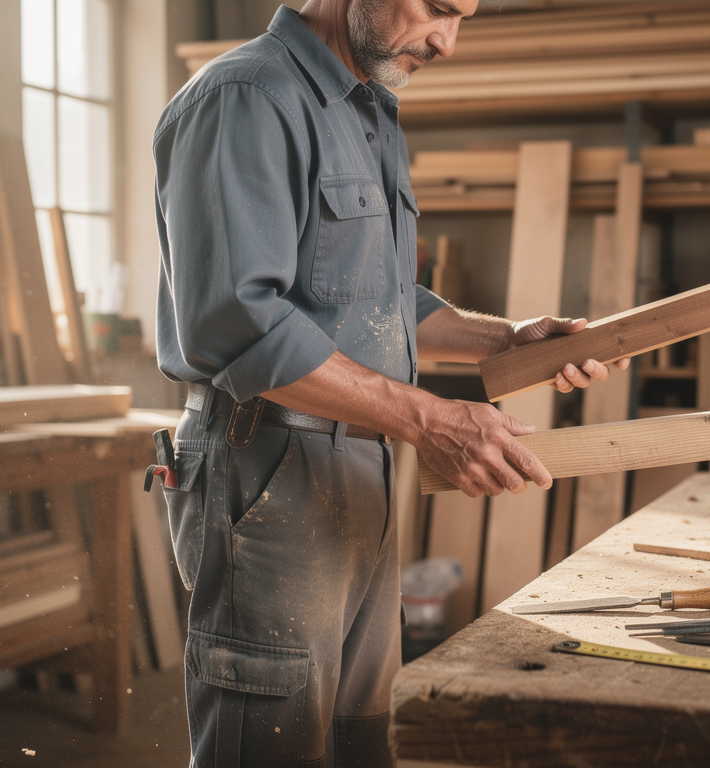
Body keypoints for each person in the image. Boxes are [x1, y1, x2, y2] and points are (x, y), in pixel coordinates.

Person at [152, 1, 627, 765]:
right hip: (265, 465)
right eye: (439, 8)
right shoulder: (246, 97)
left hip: (356, 464)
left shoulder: (367, 106)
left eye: (464, 15)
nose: (448, 40)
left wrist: (505, 339)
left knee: (360, 736)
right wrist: (431, 421)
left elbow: (378, 301)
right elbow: (238, 322)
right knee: (271, 741)